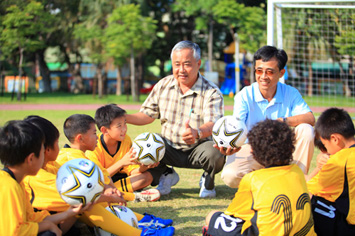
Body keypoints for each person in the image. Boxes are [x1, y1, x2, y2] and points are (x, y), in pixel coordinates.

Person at [126, 40, 225, 198]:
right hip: (168, 148)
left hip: (198, 149)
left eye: (187, 64)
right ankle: (166, 173)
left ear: (198, 63)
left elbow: (215, 124)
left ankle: (208, 179)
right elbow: (147, 114)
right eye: (177, 64)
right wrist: (124, 117)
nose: (181, 70)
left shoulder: (211, 91)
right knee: (145, 143)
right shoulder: (163, 85)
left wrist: (197, 132)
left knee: (216, 152)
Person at [55, 114, 174, 235]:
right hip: (60, 217)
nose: (97, 137)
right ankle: (139, 233)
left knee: (99, 200)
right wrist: (115, 196)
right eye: (94, 133)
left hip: (72, 210)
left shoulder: (81, 156)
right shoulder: (73, 161)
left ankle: (143, 220)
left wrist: (113, 192)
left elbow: (104, 177)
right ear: (81, 138)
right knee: (91, 203)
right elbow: (85, 196)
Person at [219, 45, 315, 188]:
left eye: (270, 72)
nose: (263, 77)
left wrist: (283, 121)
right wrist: (231, 144)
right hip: (251, 148)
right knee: (230, 176)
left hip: (282, 149)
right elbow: (238, 128)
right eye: (259, 71)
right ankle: (268, 185)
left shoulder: (291, 93)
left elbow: (310, 118)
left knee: (306, 130)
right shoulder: (243, 96)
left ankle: (295, 184)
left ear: (281, 73)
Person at [203, 119, 316, 236]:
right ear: (291, 147)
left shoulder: (253, 180)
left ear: (252, 151)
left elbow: (232, 214)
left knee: (212, 217)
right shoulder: (297, 172)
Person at [0, 120, 90, 236]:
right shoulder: (9, 186)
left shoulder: (17, 182)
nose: (44, 157)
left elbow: (32, 219)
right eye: (42, 152)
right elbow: (14, 232)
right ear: (31, 159)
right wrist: (47, 226)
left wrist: (70, 213)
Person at [86, 104, 160, 202]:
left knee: (147, 177)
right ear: (104, 130)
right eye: (119, 126)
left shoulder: (126, 140)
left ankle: (111, 193)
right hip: (102, 182)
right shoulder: (94, 146)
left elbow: (131, 170)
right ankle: (128, 196)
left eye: (125, 123)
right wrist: (122, 162)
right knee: (96, 185)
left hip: (119, 180)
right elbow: (98, 178)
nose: (124, 129)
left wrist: (144, 166)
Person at [307, 107, 355, 236]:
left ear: (335, 139)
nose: (327, 151)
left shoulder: (338, 162)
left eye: (326, 145)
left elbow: (308, 188)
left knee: (312, 202)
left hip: (349, 227)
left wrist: (319, 167)